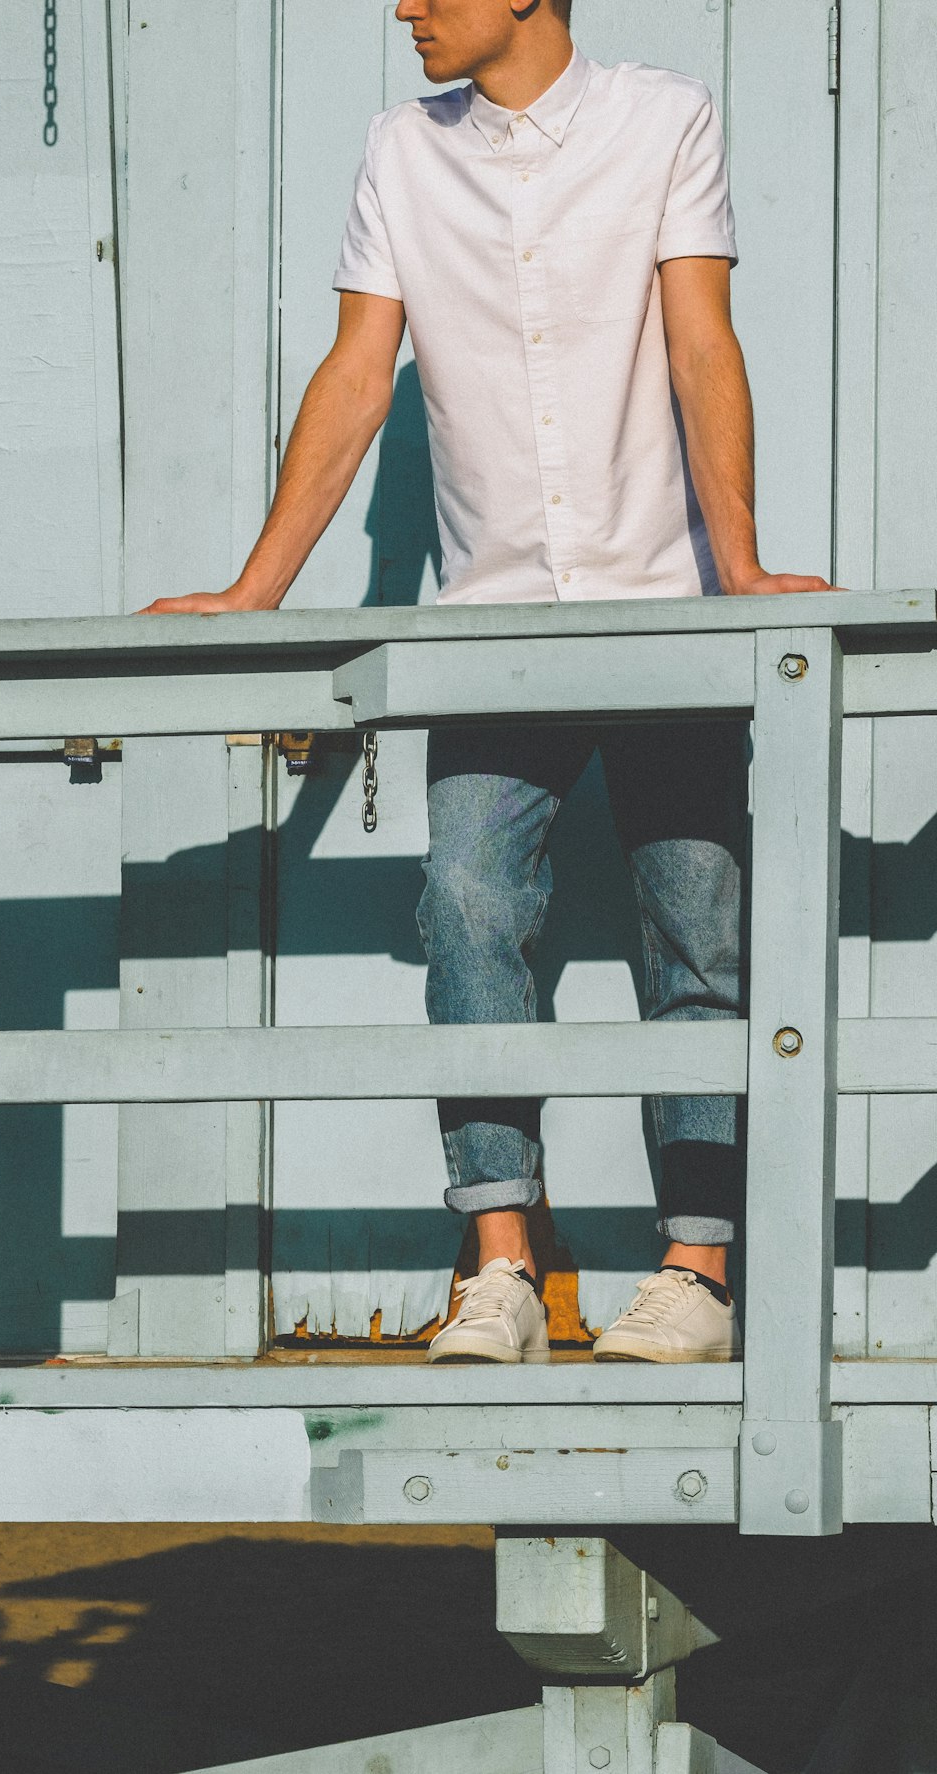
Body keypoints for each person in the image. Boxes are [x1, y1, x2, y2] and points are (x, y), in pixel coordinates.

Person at [143, 0, 834, 1364]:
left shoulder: (663, 119)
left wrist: (741, 563)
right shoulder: (401, 152)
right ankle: (502, 1263)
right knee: (465, 903)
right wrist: (253, 591)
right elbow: (357, 373)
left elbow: (701, 340)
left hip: (664, 616)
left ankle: (696, 1270)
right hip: (494, 621)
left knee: (696, 927)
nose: (402, 5)